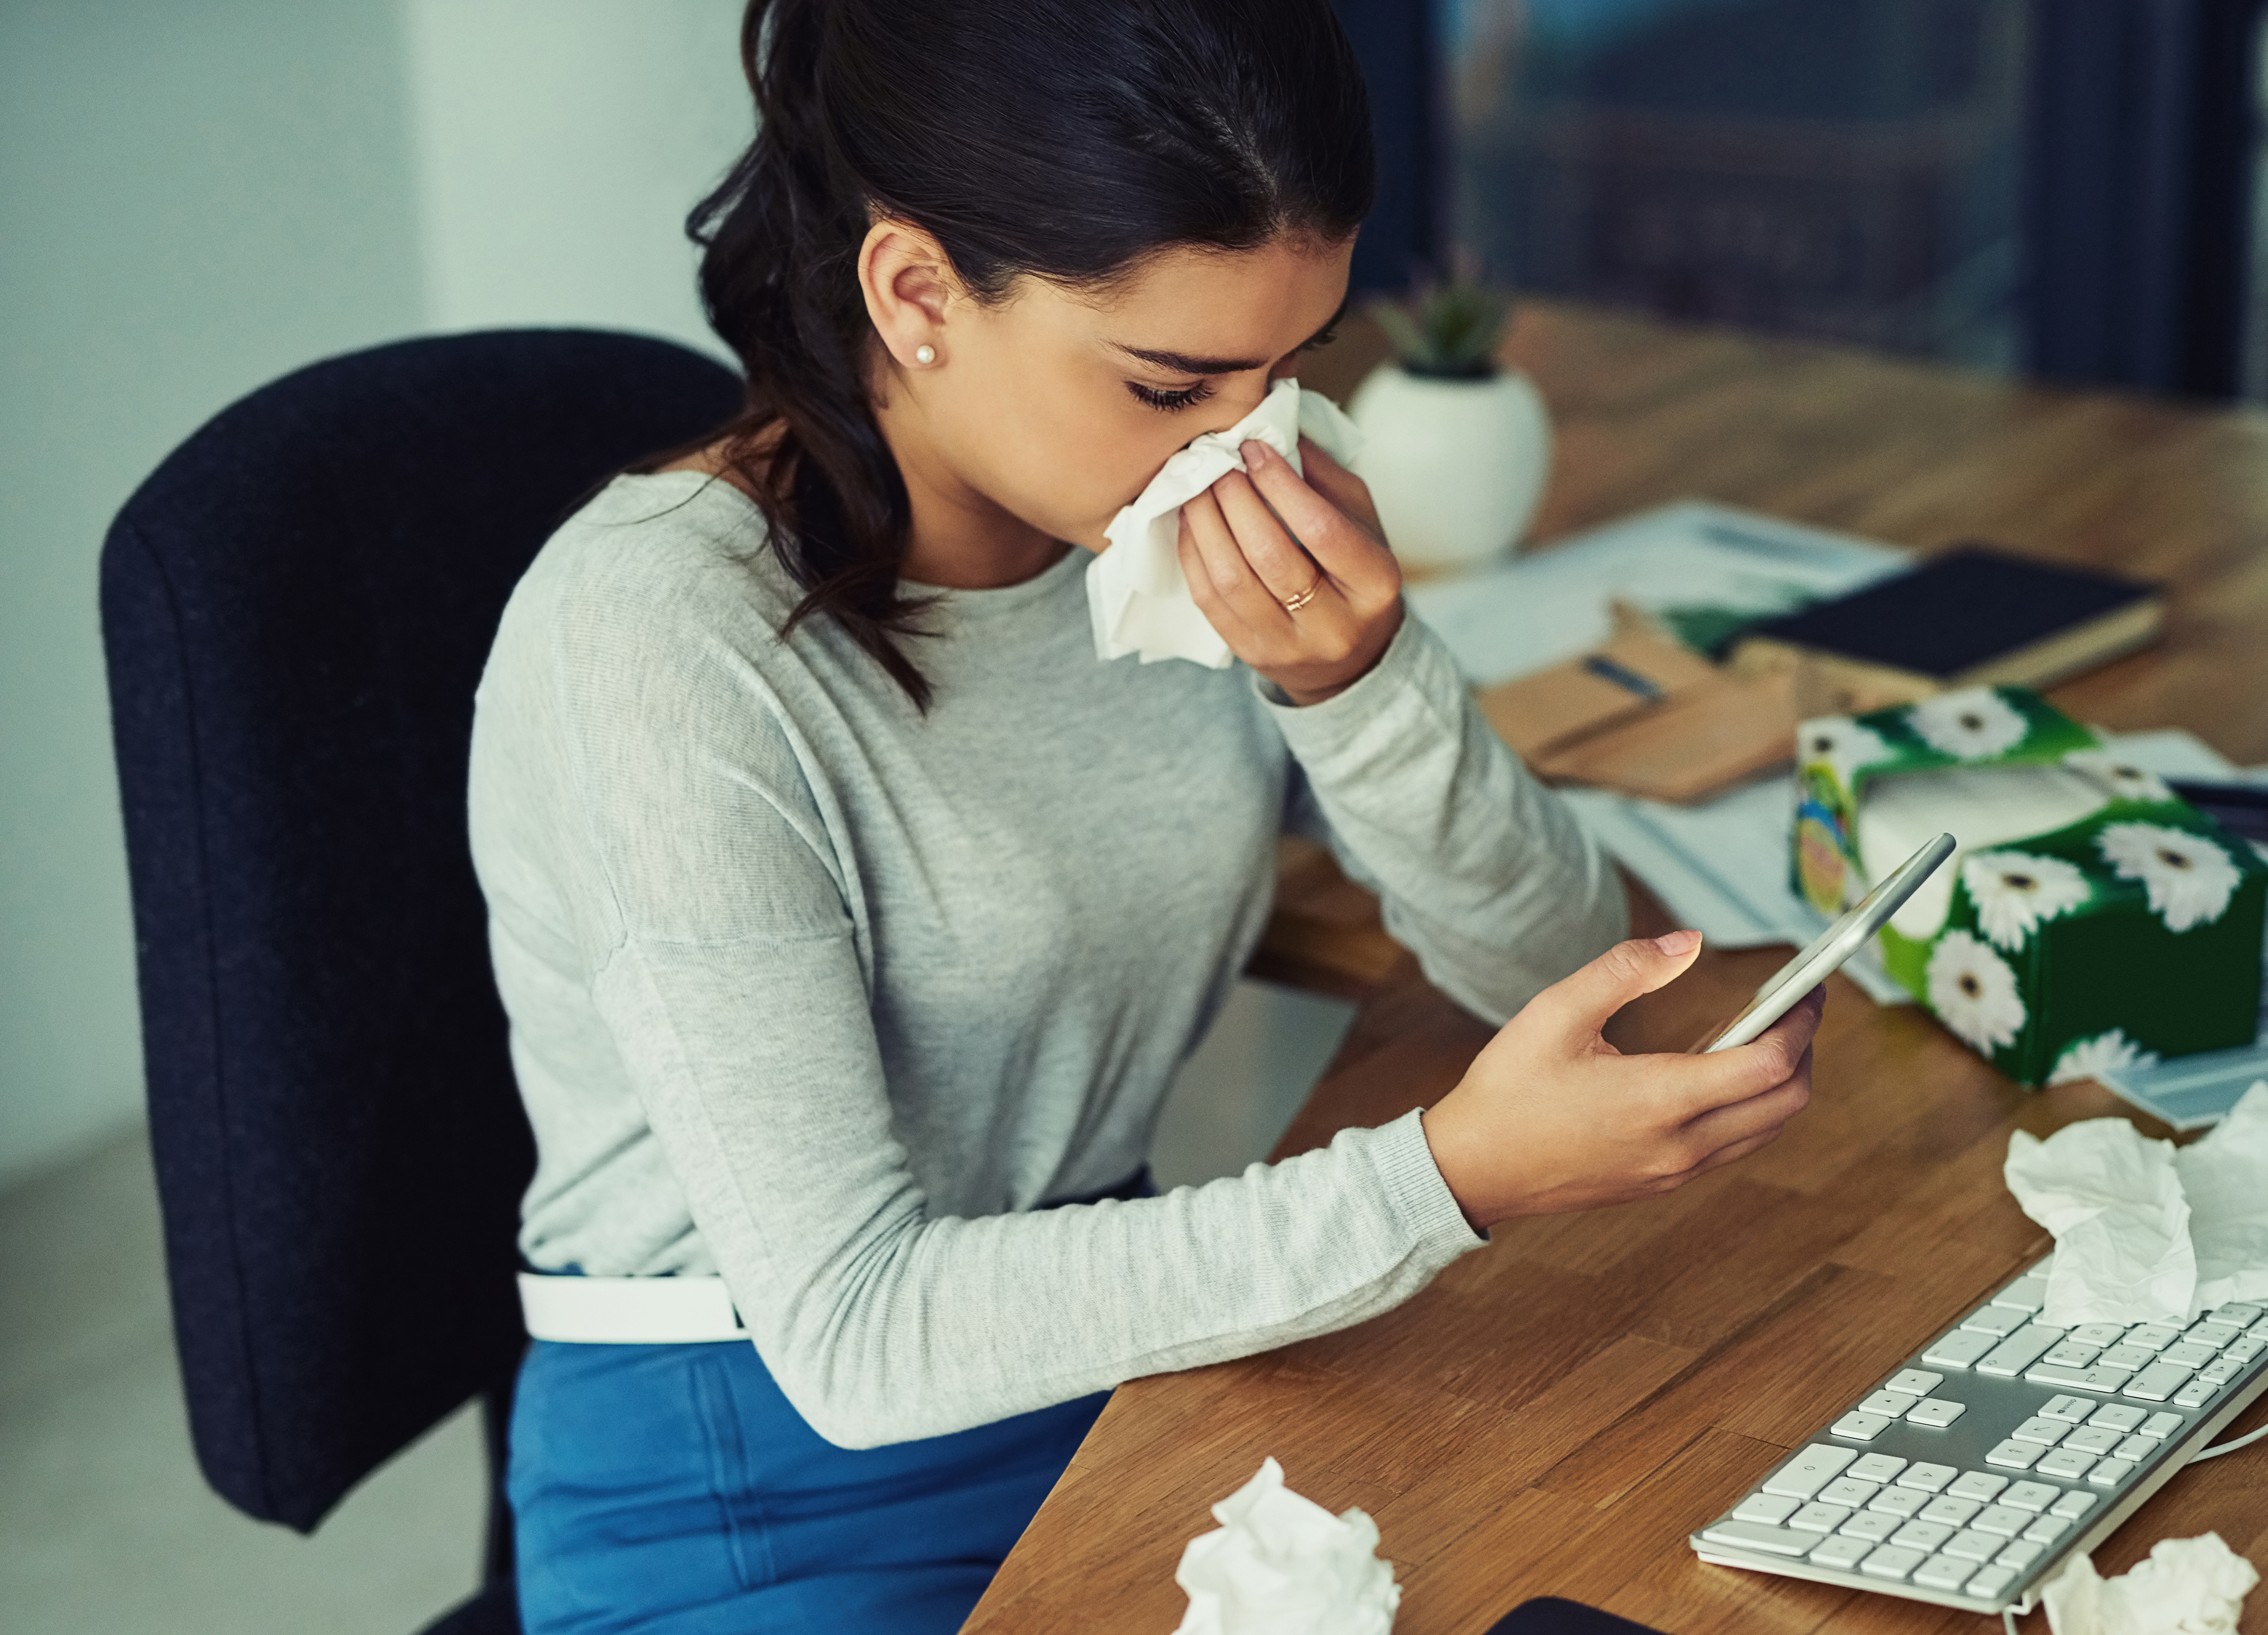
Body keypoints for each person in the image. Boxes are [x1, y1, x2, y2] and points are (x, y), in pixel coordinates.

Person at [466, 1, 1823, 1629]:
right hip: (766, 1462)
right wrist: (1442, 1180)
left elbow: (1557, 967)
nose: (1244, 447)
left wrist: (1362, 685)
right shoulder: (659, 637)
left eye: (1290, 367)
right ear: (916, 298)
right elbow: (857, 1331)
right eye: (1173, 381)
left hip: (1127, 1355)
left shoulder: (1174, 521)